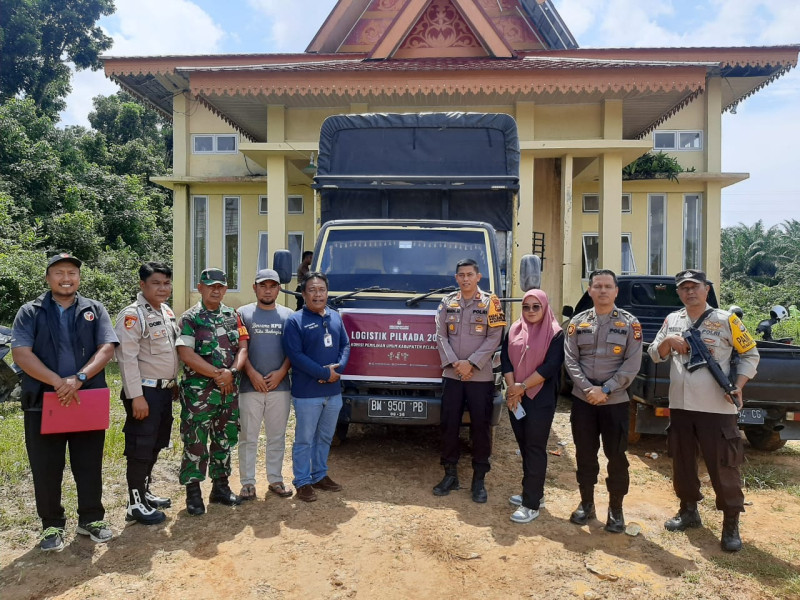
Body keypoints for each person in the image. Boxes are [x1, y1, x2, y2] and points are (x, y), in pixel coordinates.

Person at [11, 253, 118, 552]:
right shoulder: (30, 311)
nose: (66, 277)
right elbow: (21, 354)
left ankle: (91, 519)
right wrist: (59, 382)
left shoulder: (94, 309)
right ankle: (51, 525)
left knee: (88, 462)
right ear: (48, 278)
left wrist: (79, 378)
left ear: (79, 278)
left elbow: (107, 348)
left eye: (72, 272)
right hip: (43, 401)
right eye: (59, 272)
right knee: (46, 467)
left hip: (86, 398)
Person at [649, 269, 760, 552]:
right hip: (682, 405)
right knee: (682, 462)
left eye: (695, 287)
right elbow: (653, 353)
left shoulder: (727, 320)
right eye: (684, 288)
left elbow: (750, 353)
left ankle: (731, 522)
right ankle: (688, 511)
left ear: (706, 289)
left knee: (723, 465)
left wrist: (739, 384)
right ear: (678, 292)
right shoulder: (672, 320)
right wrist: (667, 343)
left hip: (716, 407)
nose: (689, 292)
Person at [564, 269, 642, 533]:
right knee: (585, 455)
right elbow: (571, 360)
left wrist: (605, 389)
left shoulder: (630, 324)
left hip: (616, 402)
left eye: (608, 286)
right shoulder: (578, 322)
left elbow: (632, 364)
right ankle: (587, 504)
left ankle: (616, 509)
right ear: (590, 290)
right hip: (584, 402)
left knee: (617, 457)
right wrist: (589, 390)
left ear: (616, 291)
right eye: (597, 286)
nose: (603, 291)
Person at [176, 267, 249, 515]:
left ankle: (220, 488)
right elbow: (186, 354)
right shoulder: (190, 318)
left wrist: (232, 373)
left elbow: (242, 348)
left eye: (220, 286)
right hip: (199, 393)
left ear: (225, 289)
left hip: (228, 391)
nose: (216, 290)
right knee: (195, 441)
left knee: (224, 439)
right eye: (210, 286)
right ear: (200, 287)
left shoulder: (233, 315)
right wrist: (218, 374)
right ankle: (193, 493)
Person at [433, 258, 506, 503]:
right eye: (461, 275)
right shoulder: (447, 302)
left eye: (469, 274)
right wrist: (456, 363)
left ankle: (479, 479)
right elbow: (440, 335)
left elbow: (495, 336)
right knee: (449, 425)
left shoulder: (491, 303)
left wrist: (471, 363)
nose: (465, 279)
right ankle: (450, 475)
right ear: (456, 278)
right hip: (452, 375)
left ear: (478, 277)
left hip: (480, 376)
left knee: (480, 428)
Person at [114, 262, 180, 526]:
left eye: (166, 283)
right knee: (140, 448)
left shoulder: (165, 310)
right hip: (144, 393)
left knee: (155, 444)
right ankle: (134, 504)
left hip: (163, 393)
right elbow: (126, 357)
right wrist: (135, 396)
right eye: (156, 283)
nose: (163, 288)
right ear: (143, 285)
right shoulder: (132, 314)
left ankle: (144, 492)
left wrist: (172, 383)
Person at [282, 272, 350, 502]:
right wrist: (324, 373)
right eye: (312, 290)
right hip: (307, 393)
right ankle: (302, 481)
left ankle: (319, 474)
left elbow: (345, 345)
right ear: (303, 294)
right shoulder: (295, 320)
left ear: (327, 292)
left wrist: (338, 370)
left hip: (332, 392)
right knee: (304, 438)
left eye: (321, 289)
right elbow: (295, 355)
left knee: (324, 437)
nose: (318, 294)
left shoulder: (335, 316)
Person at [502, 289, 564, 523]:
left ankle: (531, 505)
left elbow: (551, 366)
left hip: (540, 398)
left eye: (535, 306)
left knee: (535, 447)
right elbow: (506, 359)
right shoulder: (514, 329)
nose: (530, 311)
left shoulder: (555, 334)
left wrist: (521, 387)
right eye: (526, 306)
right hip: (515, 397)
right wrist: (512, 388)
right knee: (524, 446)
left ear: (545, 307)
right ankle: (534, 493)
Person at [237, 269, 294, 500]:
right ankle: (247, 483)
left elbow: (293, 350)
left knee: (277, 436)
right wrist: (251, 373)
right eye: (263, 285)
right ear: (255, 288)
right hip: (250, 387)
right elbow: (240, 348)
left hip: (279, 388)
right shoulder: (242, 313)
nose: (268, 290)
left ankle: (275, 479)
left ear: (279, 289)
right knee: (248, 437)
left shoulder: (289, 316)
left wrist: (282, 372)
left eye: (273, 286)